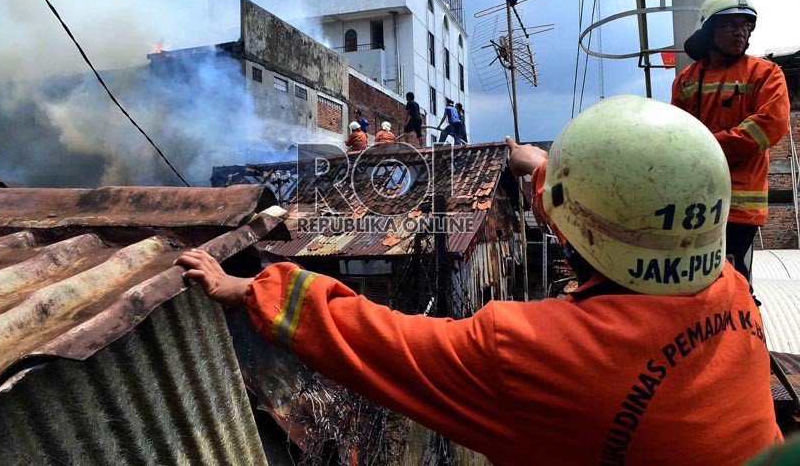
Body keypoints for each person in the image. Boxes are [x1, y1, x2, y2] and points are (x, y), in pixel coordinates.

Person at [177, 96, 780, 465]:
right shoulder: (729, 285)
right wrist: (537, 166)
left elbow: (376, 339)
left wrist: (254, 290)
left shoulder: (532, 352)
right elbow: (617, 222)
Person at [672, 0, 789, 283]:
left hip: (740, 206)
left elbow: (770, 124)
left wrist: (710, 147)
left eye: (746, 26)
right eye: (731, 25)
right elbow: (674, 135)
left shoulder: (765, 73)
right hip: (695, 203)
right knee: (694, 280)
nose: (741, 32)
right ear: (710, 30)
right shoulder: (686, 79)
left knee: (734, 281)